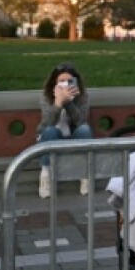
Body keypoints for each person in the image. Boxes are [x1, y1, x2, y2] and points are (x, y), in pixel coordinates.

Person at [36, 63, 93, 198]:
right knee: (50, 131)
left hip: (73, 136)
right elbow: (47, 124)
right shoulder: (46, 96)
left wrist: (69, 103)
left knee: (85, 129)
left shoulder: (82, 96)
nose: (65, 84)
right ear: (55, 83)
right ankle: (45, 176)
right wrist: (58, 103)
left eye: (69, 81)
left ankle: (85, 175)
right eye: (61, 81)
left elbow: (81, 121)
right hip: (52, 137)